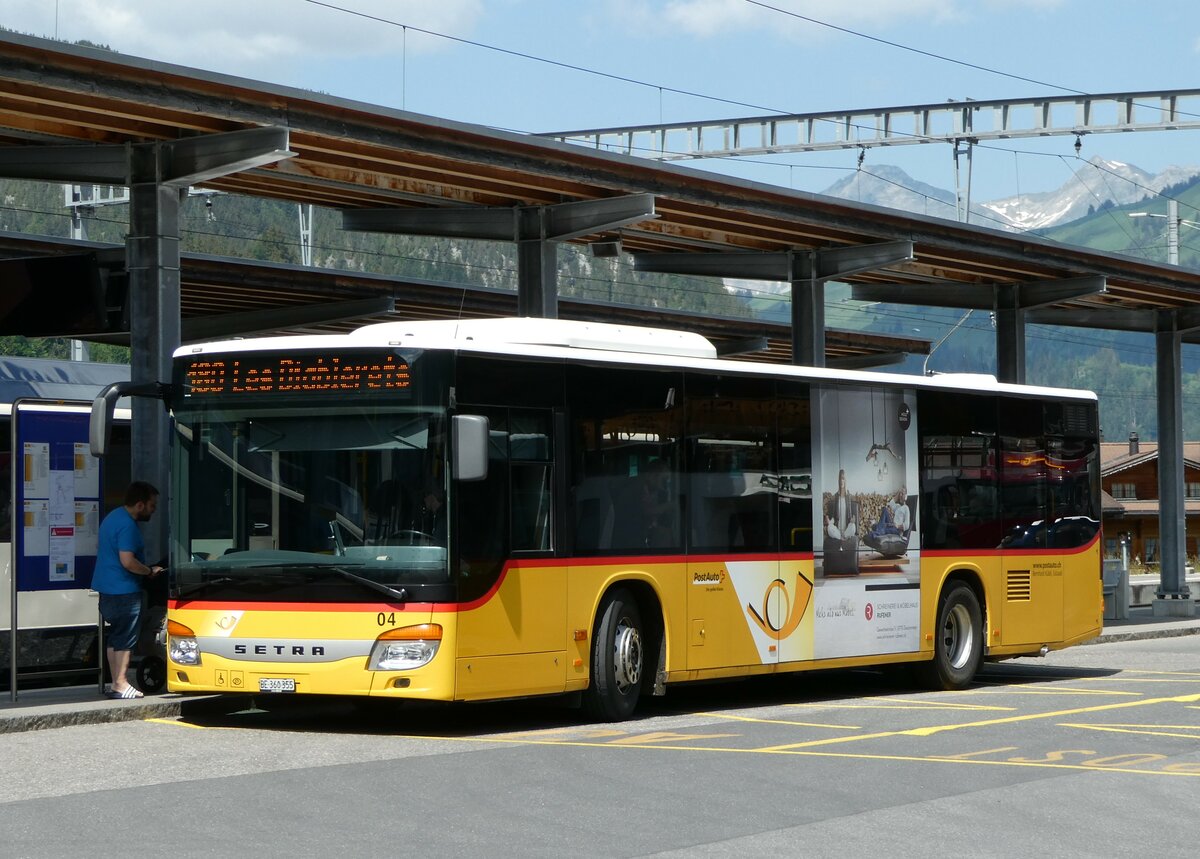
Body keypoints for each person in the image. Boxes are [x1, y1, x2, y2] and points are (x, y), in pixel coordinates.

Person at [92, 481, 163, 700]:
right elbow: (128, 561)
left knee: (115, 637)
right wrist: (148, 571)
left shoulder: (112, 517)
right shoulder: (128, 526)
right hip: (124, 590)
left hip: (106, 589)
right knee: (125, 638)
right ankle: (121, 683)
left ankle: (115, 683)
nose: (154, 509)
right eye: (152, 505)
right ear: (140, 505)